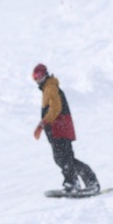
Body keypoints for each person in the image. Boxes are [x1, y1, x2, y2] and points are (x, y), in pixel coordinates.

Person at [32, 64, 100, 195]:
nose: (37, 80)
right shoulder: (48, 88)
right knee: (64, 159)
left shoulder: (50, 87)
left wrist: (43, 122)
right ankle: (85, 181)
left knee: (64, 159)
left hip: (59, 129)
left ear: (45, 74)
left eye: (39, 76)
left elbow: (56, 108)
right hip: (58, 130)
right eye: (35, 77)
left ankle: (74, 182)